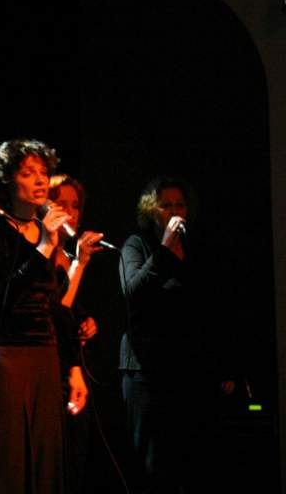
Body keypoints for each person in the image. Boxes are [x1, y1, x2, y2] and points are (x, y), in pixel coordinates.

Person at [0, 139, 88, 494]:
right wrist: (46, 245)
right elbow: (3, 296)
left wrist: (73, 365)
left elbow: (53, 306)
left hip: (44, 354)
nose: (39, 181)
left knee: (46, 459)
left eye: (43, 173)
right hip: (5, 354)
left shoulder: (41, 229)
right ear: (7, 180)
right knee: (7, 460)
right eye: (27, 173)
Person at [119, 176, 205, 494]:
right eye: (166, 205)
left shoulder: (196, 247)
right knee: (151, 465)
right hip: (145, 371)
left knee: (188, 462)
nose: (174, 211)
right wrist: (165, 249)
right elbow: (134, 294)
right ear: (151, 210)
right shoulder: (137, 244)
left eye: (179, 204)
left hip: (185, 368)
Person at [48, 173, 104, 494]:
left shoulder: (66, 256)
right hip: (49, 365)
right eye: (61, 204)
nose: (70, 213)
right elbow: (56, 311)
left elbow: (70, 311)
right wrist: (80, 264)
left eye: (75, 206)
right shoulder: (42, 255)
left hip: (71, 363)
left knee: (76, 457)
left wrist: (86, 322)